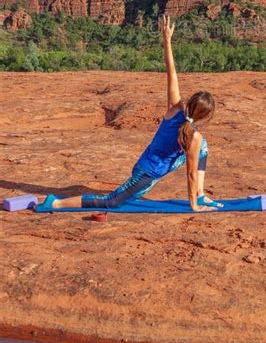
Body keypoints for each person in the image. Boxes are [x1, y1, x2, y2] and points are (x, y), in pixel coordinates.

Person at [41, 15, 222, 212]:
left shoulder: (175, 109)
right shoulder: (193, 136)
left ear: (190, 103)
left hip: (147, 164)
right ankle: (56, 203)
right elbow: (191, 175)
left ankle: (201, 194)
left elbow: (172, 74)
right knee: (111, 202)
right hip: (146, 174)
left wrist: (167, 41)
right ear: (205, 117)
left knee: (202, 146)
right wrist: (193, 206)